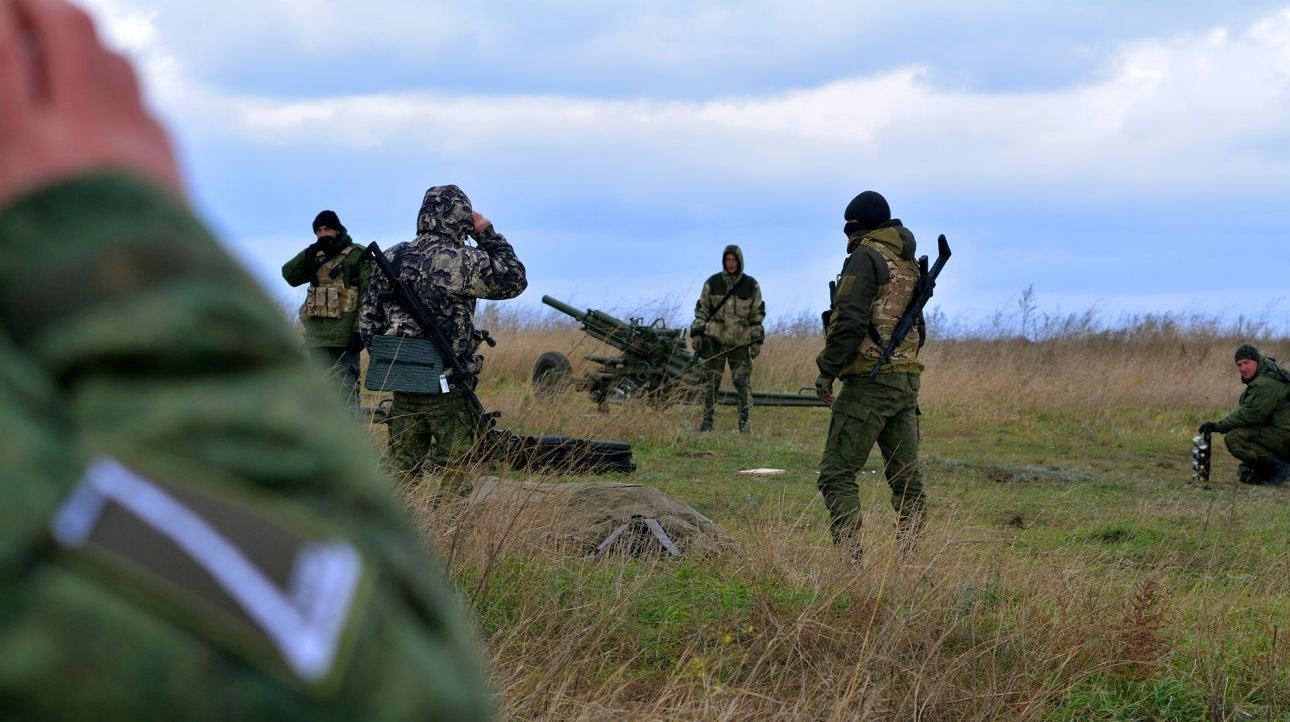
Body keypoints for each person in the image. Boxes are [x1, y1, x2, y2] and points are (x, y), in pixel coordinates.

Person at [0, 1, 491, 718]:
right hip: (328, 355)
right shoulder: (343, 257)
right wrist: (119, 228)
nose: (323, 237)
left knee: (380, 421)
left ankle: (437, 489)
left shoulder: (366, 257)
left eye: (329, 230)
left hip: (349, 352)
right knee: (403, 435)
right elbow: (379, 685)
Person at [359, 185, 527, 502]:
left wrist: (398, 360)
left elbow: (368, 322)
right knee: (456, 470)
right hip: (446, 385)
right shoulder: (461, 260)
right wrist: (487, 234)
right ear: (460, 218)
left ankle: (387, 535)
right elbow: (515, 278)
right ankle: (449, 538)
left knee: (398, 469)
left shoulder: (392, 257)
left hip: (404, 383)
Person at [813, 190, 926, 556]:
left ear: (855, 227)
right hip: (906, 381)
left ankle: (850, 566)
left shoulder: (866, 257)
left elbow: (849, 321)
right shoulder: (907, 260)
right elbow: (917, 328)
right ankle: (911, 566)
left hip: (871, 381)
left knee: (836, 474)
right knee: (908, 483)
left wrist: (827, 370)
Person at [281, 209, 372, 407]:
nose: (323, 234)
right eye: (319, 230)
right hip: (317, 338)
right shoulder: (314, 256)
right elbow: (289, 275)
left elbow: (367, 296)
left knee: (346, 393)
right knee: (318, 395)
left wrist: (359, 332)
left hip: (345, 339)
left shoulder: (357, 255)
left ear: (338, 230)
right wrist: (309, 252)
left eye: (328, 229)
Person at [690, 245, 765, 433]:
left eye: (734, 260)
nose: (731, 263)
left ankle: (744, 422)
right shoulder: (712, 283)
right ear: (724, 261)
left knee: (741, 382)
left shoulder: (751, 285)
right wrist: (697, 333)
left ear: (740, 261)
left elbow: (756, 316)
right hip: (714, 340)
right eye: (728, 260)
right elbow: (702, 310)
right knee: (711, 382)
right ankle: (707, 422)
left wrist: (756, 341)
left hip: (740, 342)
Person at [1198, 344, 1290, 485]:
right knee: (1247, 474)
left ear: (1256, 361)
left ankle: (1280, 467)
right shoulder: (1270, 374)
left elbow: (1249, 415)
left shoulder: (1265, 384)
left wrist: (1217, 426)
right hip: (1281, 433)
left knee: (1234, 438)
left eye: (1246, 363)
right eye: (1239, 365)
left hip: (1285, 436)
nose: (1242, 369)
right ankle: (1269, 467)